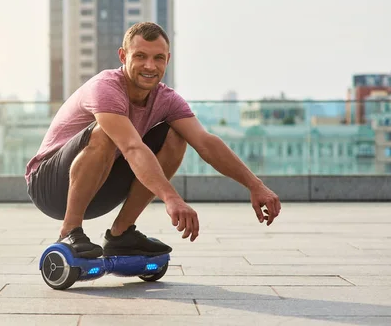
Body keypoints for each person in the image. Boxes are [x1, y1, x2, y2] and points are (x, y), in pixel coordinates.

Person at [25, 22, 281, 259]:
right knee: (107, 133)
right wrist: (172, 198)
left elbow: (205, 142)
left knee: (177, 135)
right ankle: (69, 231)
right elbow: (132, 147)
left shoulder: (167, 99)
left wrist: (255, 185)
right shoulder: (106, 87)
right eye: (140, 56)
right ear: (123, 56)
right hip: (49, 185)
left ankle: (121, 234)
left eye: (158, 58)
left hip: (100, 185)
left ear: (167, 60)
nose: (150, 66)